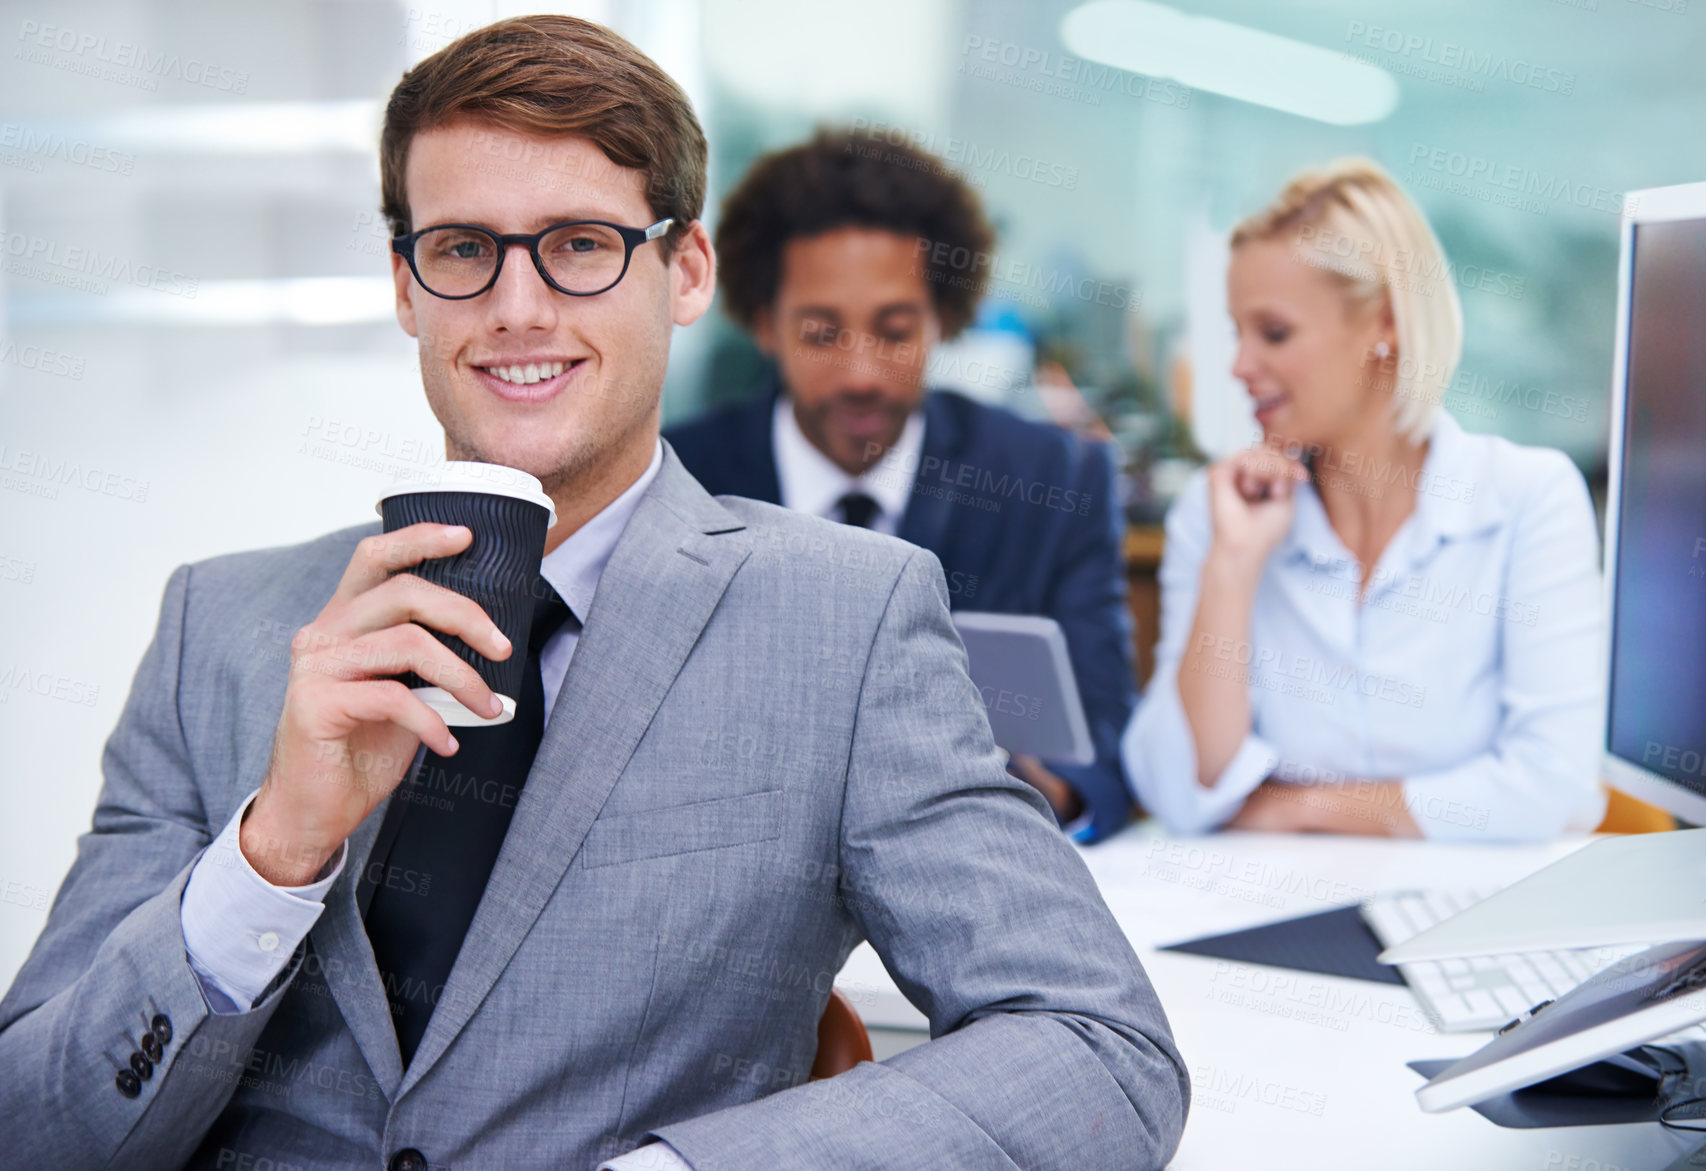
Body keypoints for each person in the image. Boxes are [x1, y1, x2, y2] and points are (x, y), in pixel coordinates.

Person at [0, 16, 1187, 1171]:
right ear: (408, 288)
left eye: (578, 243)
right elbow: (31, 1126)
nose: (517, 307)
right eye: (463, 248)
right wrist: (272, 854)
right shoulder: (219, 624)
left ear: (684, 271)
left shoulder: (846, 623)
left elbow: (1097, 1052)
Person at [665, 129, 1136, 844]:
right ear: (764, 324)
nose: (862, 373)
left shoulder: (1049, 482)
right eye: (823, 333)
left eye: (894, 330)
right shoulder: (679, 479)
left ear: (943, 320)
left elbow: (1107, 743)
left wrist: (1044, 793)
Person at [1123, 158, 1604, 841]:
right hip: (1265, 905)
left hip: (1462, 917)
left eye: (1275, 332)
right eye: (1237, 332)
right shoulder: (1221, 509)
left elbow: (1556, 789)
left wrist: (1298, 807)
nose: (1238, 366)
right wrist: (1231, 570)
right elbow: (1176, 784)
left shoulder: (1529, 498)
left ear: (1384, 321)